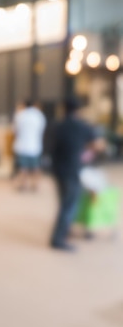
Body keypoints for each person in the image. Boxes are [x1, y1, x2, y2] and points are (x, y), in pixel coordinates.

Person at [50, 97, 104, 252]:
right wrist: (87, 151)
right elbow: (98, 145)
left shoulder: (58, 125)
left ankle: (65, 231)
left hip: (57, 169)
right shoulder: (82, 126)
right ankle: (58, 239)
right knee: (69, 205)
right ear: (78, 110)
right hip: (73, 170)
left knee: (64, 203)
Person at [13, 99, 47, 191]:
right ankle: (35, 185)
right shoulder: (39, 115)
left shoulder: (20, 115)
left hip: (22, 145)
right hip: (35, 145)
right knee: (36, 167)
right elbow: (42, 130)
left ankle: (23, 185)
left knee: (23, 167)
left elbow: (16, 131)